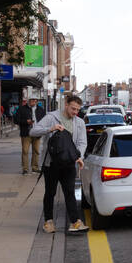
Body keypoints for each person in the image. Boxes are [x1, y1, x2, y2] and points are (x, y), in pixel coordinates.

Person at [30, 95, 88, 233]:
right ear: (66, 104)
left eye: (77, 110)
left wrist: (78, 156)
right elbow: (33, 131)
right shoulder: (51, 117)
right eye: (73, 108)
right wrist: (50, 129)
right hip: (51, 163)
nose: (75, 112)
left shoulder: (79, 122)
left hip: (69, 164)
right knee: (50, 193)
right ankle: (48, 222)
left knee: (69, 193)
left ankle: (75, 222)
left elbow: (82, 142)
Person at [15, 99, 40, 174]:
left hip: (37, 133)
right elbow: (16, 120)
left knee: (36, 151)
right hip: (26, 133)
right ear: (29, 101)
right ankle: (25, 169)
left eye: (35, 101)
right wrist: (26, 121)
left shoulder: (40, 109)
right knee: (25, 151)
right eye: (32, 100)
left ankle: (35, 168)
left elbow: (44, 120)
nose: (34, 102)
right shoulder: (22, 109)